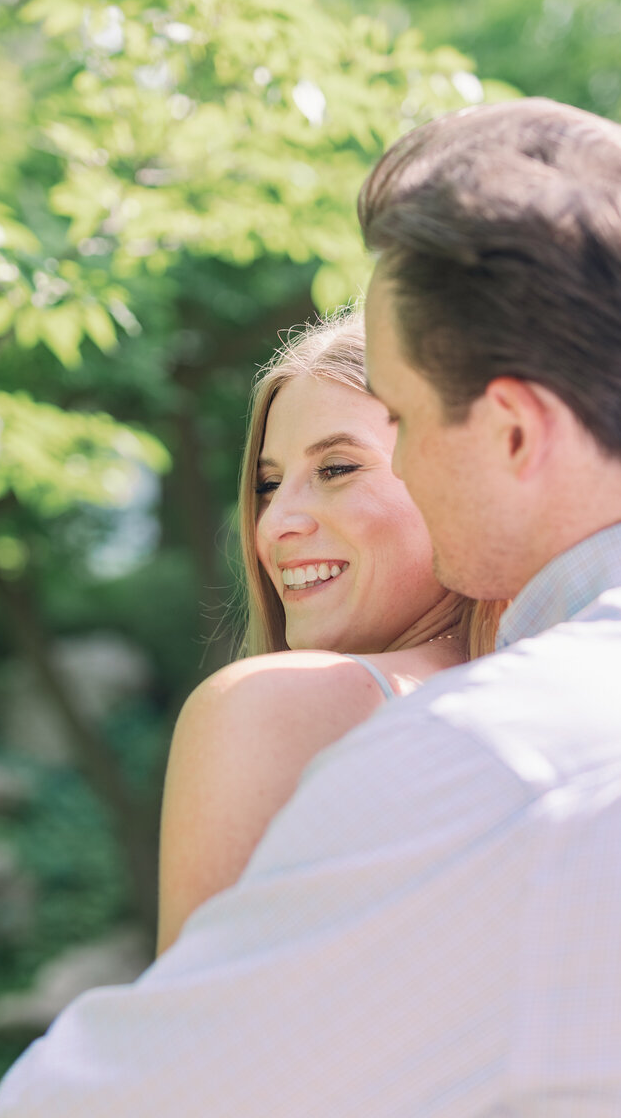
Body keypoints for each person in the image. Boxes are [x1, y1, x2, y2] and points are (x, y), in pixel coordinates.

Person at [0, 98, 621, 1118]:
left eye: (384, 429)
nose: (279, 525)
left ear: (515, 432)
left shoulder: (503, 762)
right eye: (267, 484)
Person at [158, 310, 502, 952]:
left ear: (457, 473)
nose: (275, 523)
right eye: (267, 484)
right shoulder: (586, 695)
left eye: (337, 469)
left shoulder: (264, 709)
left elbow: (199, 1043)